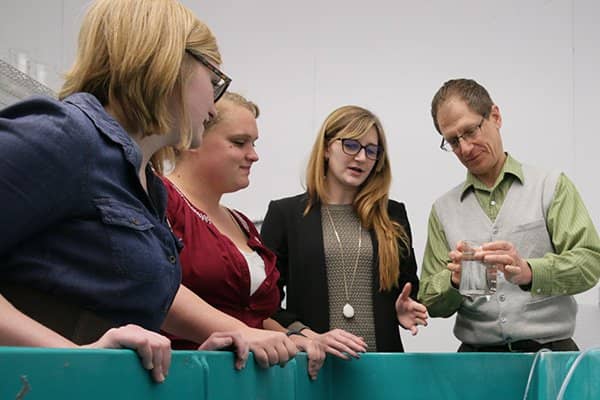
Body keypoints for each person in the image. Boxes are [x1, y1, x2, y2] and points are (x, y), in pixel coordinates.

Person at [0, 0, 296, 383]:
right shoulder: (64, 135)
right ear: (170, 64)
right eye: (214, 80)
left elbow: (133, 292)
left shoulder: (146, 183)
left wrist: (230, 331)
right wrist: (72, 356)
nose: (213, 103)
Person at [418, 78, 600, 352]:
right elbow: (429, 302)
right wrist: (454, 282)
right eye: (453, 141)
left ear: (495, 116)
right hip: (476, 364)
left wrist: (531, 272)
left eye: (470, 131)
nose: (465, 148)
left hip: (551, 355)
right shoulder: (443, 210)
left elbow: (590, 263)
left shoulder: (551, 187)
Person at [163, 91, 325, 379]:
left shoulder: (241, 223)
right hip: (182, 375)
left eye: (254, 143)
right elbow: (155, 289)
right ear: (193, 138)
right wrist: (243, 332)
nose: (254, 155)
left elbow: (256, 316)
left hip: (248, 379)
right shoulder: (162, 201)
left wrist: (293, 337)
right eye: (239, 143)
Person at [260, 105, 428, 355]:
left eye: (372, 151)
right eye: (351, 145)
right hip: (314, 364)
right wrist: (308, 337)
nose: (361, 157)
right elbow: (265, 304)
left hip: (382, 365)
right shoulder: (286, 214)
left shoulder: (393, 215)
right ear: (327, 148)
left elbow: (407, 288)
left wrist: (404, 308)